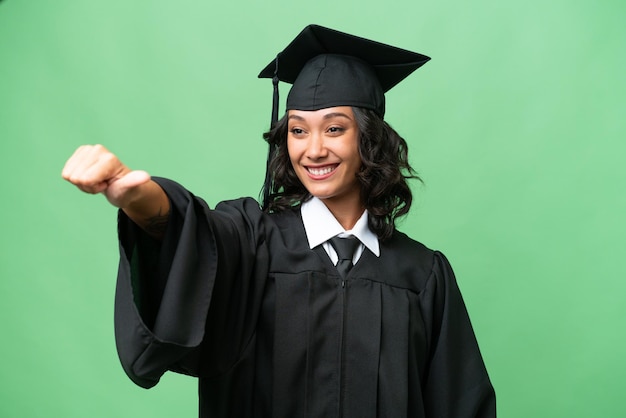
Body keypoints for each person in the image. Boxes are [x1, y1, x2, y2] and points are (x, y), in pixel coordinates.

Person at [62, 25, 495, 417]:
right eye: (298, 130)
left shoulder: (421, 274)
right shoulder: (253, 242)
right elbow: (190, 233)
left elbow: (461, 404)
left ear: (370, 139)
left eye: (334, 129)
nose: (313, 150)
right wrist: (138, 197)